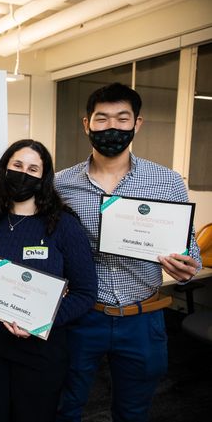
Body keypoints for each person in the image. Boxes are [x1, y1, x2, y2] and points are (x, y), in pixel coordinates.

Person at [55, 83, 202, 422]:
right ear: (86, 124)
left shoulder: (167, 181)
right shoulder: (60, 184)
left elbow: (187, 244)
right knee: (65, 405)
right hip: (80, 315)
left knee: (134, 412)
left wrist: (186, 266)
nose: (111, 127)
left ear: (137, 124)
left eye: (122, 119)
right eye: (102, 118)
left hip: (143, 317)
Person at [0, 139, 98, 422]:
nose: (24, 173)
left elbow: (85, 293)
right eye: (18, 165)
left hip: (41, 352)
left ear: (43, 178)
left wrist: (42, 322)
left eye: (34, 169)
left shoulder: (63, 225)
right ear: (4, 170)